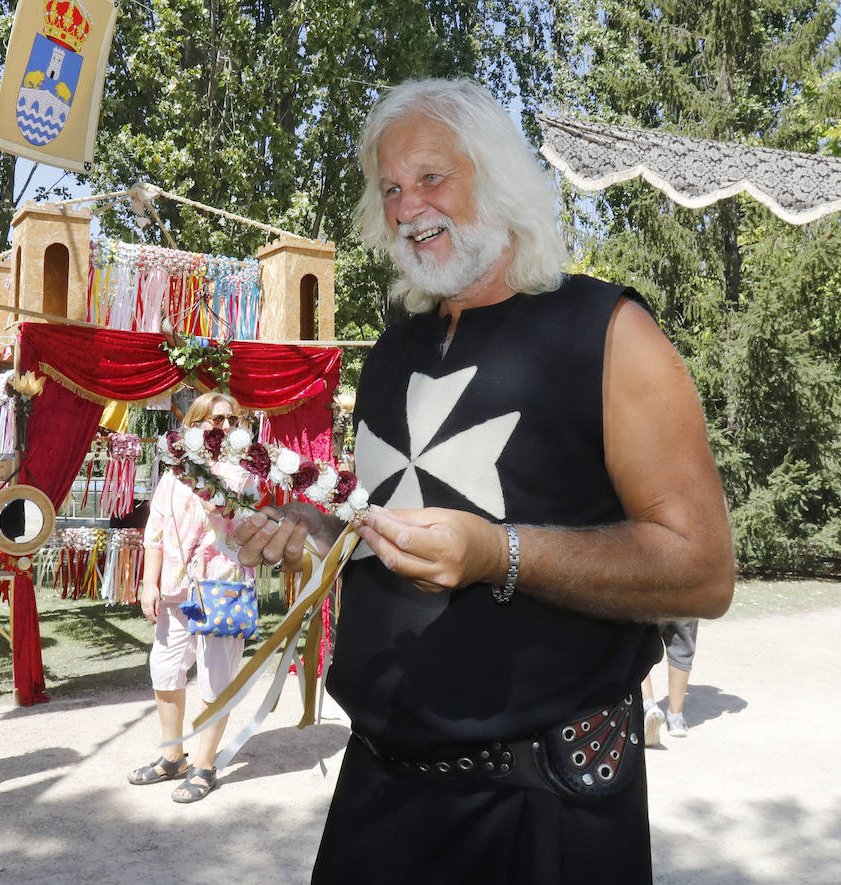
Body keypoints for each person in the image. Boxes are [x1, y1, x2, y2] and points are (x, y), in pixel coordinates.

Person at [232, 78, 734, 883]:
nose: (406, 206)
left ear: (497, 176)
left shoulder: (608, 331)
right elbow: (389, 530)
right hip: (378, 796)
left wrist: (499, 553)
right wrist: (317, 529)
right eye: (390, 188)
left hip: (543, 812)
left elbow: (703, 571)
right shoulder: (395, 352)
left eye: (432, 177)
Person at [127, 391, 255, 803]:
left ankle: (204, 764)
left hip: (222, 584)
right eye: (215, 420)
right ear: (195, 425)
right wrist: (149, 583)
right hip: (176, 587)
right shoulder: (172, 473)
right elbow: (156, 532)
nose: (224, 427)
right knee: (164, 669)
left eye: (230, 420)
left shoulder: (244, 473)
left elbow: (241, 518)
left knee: (216, 676)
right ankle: (172, 756)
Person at [642, 619, 700, 744]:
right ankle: (676, 718)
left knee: (638, 642)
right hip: (687, 600)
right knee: (683, 644)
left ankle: (648, 706)